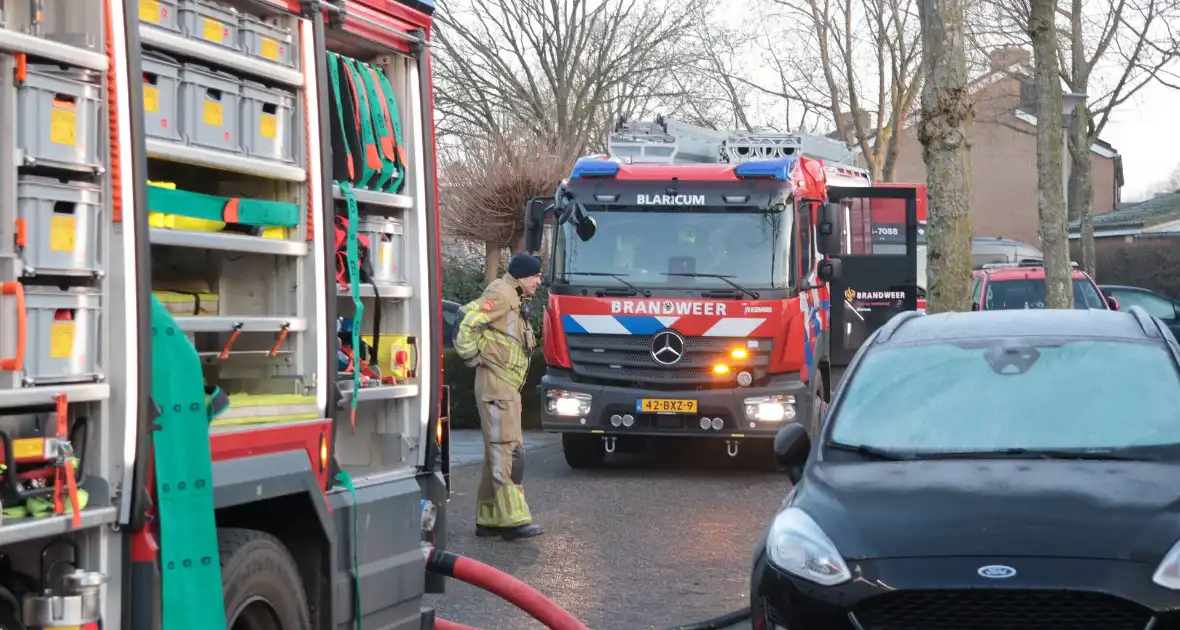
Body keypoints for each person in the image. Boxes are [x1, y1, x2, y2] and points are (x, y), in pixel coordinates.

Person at [453, 253, 545, 540]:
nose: (539, 281)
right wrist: (471, 356)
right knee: (507, 450)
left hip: (504, 386)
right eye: (536, 276)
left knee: (497, 451)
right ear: (522, 275)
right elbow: (466, 318)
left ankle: (489, 517)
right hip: (497, 386)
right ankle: (514, 520)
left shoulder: (512, 296)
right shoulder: (502, 294)